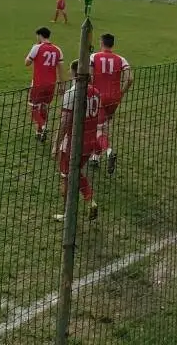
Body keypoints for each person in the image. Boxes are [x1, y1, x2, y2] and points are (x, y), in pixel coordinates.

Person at [52, 59, 102, 222]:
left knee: (66, 177)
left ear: (74, 73)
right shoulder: (95, 92)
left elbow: (65, 122)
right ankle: (90, 200)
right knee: (76, 172)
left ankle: (69, 214)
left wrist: (56, 143)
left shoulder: (72, 93)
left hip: (73, 142)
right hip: (90, 142)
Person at [89, 33, 133, 175]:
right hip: (114, 97)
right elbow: (130, 78)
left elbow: (89, 76)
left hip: (99, 96)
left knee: (97, 129)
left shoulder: (94, 57)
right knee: (103, 127)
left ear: (101, 43)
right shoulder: (121, 59)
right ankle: (95, 156)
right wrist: (121, 92)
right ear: (112, 44)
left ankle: (108, 152)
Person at [26, 27, 65, 142]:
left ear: (39, 36)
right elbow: (61, 70)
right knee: (43, 107)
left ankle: (43, 126)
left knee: (33, 108)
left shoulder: (37, 47)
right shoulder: (58, 49)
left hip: (38, 83)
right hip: (51, 84)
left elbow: (27, 63)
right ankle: (39, 132)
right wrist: (62, 85)